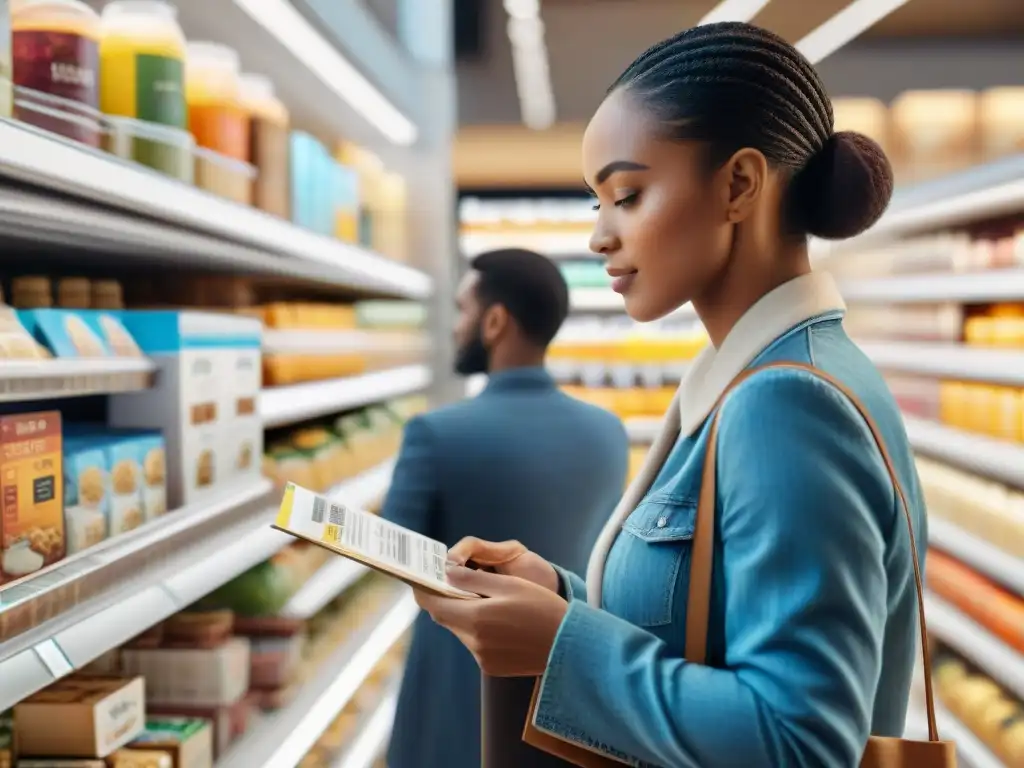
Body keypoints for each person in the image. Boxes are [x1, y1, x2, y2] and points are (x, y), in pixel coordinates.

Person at [415, 22, 928, 768]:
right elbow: (705, 633)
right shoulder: (764, 377)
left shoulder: (788, 404)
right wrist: (559, 597)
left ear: (739, 186)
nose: (600, 236)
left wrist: (561, 644)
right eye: (598, 204)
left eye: (627, 194)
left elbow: (800, 744)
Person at [381, 247, 630, 768]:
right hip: (566, 685)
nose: (455, 328)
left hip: (457, 694)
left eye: (463, 311)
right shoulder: (609, 434)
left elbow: (390, 550)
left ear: (495, 322)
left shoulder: (434, 434)